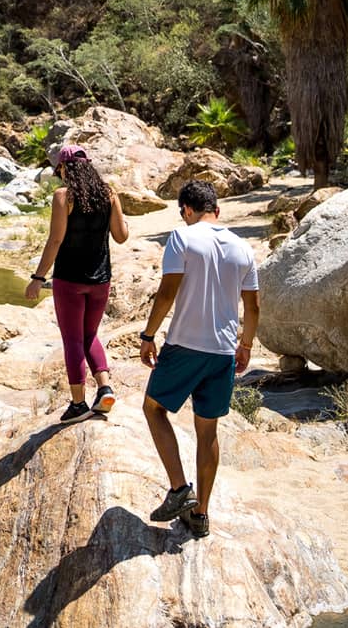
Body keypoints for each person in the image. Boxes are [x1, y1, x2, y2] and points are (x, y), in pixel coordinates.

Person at [138, 181, 259, 539]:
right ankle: (201, 515)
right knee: (208, 432)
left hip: (185, 346)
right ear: (217, 211)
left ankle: (179, 491)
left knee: (153, 408)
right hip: (223, 352)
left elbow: (167, 290)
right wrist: (246, 345)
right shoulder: (243, 247)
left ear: (187, 210)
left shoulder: (182, 238)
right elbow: (252, 306)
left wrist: (148, 335)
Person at [25, 143, 130, 423]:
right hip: (100, 279)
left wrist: (37, 278)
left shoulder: (63, 197)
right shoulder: (109, 194)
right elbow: (121, 236)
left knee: (72, 339)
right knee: (90, 335)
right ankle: (104, 388)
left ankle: (78, 404)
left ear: (63, 168)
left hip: (69, 280)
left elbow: (56, 240)